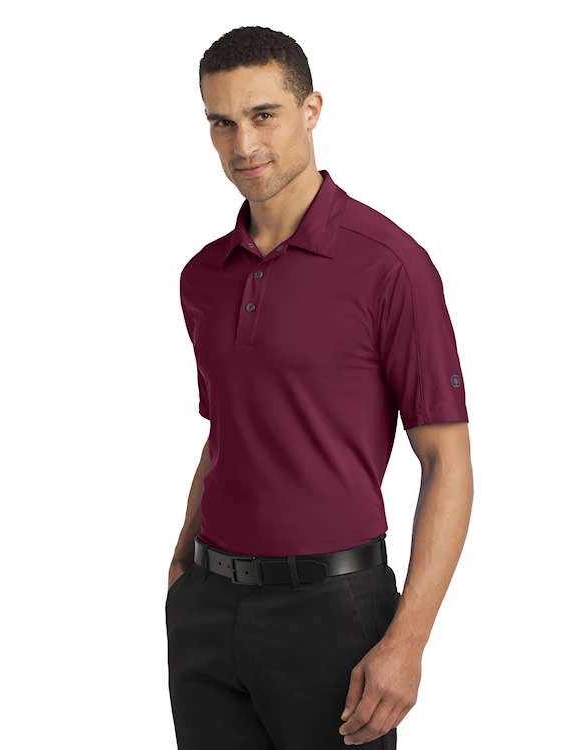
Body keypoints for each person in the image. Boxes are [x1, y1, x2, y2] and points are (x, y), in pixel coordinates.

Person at [165, 25, 474, 750]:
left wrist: (408, 641)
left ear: (311, 111)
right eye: (222, 122)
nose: (244, 144)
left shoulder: (389, 265)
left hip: (332, 616)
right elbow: (225, 434)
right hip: (207, 610)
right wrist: (182, 564)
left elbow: (447, 463)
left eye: (263, 115)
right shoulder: (203, 276)